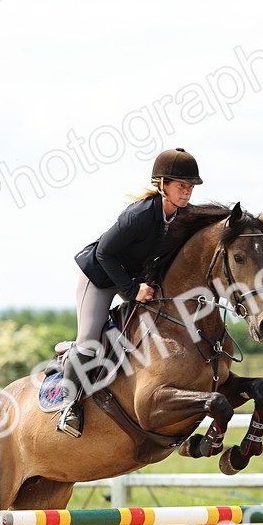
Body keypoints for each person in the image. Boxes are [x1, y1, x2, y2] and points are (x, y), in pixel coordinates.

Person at [56, 147, 204, 437]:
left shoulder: (182, 217)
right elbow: (104, 253)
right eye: (181, 186)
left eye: (190, 187)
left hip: (134, 280)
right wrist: (132, 289)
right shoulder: (139, 215)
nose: (186, 192)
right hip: (98, 276)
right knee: (88, 341)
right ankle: (69, 406)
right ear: (162, 185)